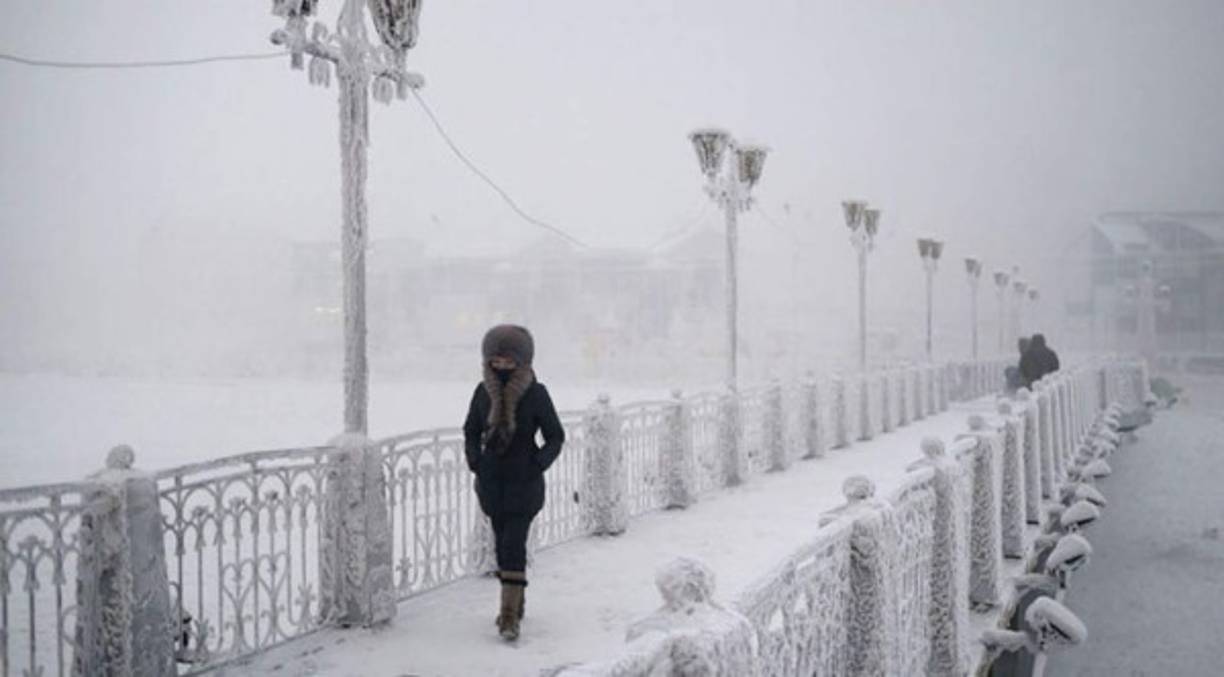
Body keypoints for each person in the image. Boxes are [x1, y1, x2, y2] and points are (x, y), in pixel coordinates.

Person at [463, 324, 565, 641]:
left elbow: (555, 436)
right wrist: (476, 461)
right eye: (496, 361)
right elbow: (469, 430)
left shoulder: (536, 393)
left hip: (524, 483)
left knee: (513, 545)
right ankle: (517, 602)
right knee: (501, 544)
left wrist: (537, 464)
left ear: (522, 360)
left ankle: (508, 617)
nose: (502, 366)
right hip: (492, 483)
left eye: (509, 361)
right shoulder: (483, 393)